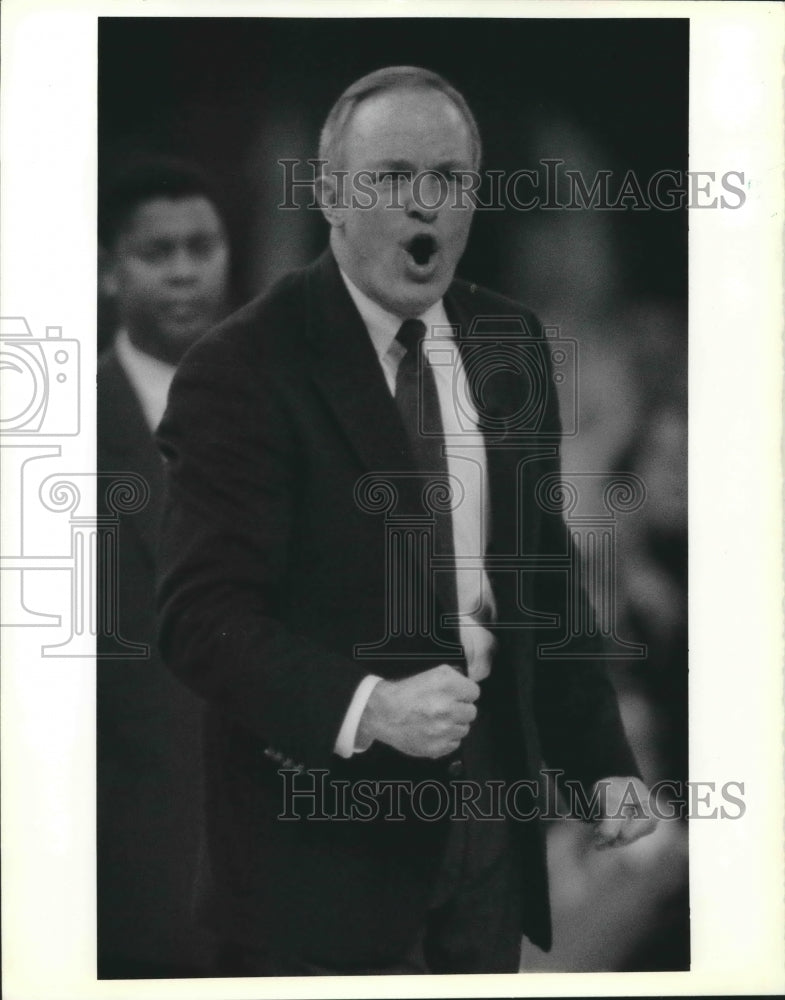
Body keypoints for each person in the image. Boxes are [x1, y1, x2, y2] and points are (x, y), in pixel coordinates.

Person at [156, 67, 657, 976]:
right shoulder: (240, 369)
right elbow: (199, 621)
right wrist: (370, 708)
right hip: (318, 857)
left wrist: (601, 763)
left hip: (492, 834)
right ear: (328, 195)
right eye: (390, 178)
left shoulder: (508, 342)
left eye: (450, 179)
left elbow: (538, 570)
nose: (424, 206)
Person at [96, 157, 231, 977]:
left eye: (202, 245)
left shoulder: (285, 406)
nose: (184, 269)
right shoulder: (53, 432)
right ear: (110, 269)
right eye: (157, 252)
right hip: (133, 856)